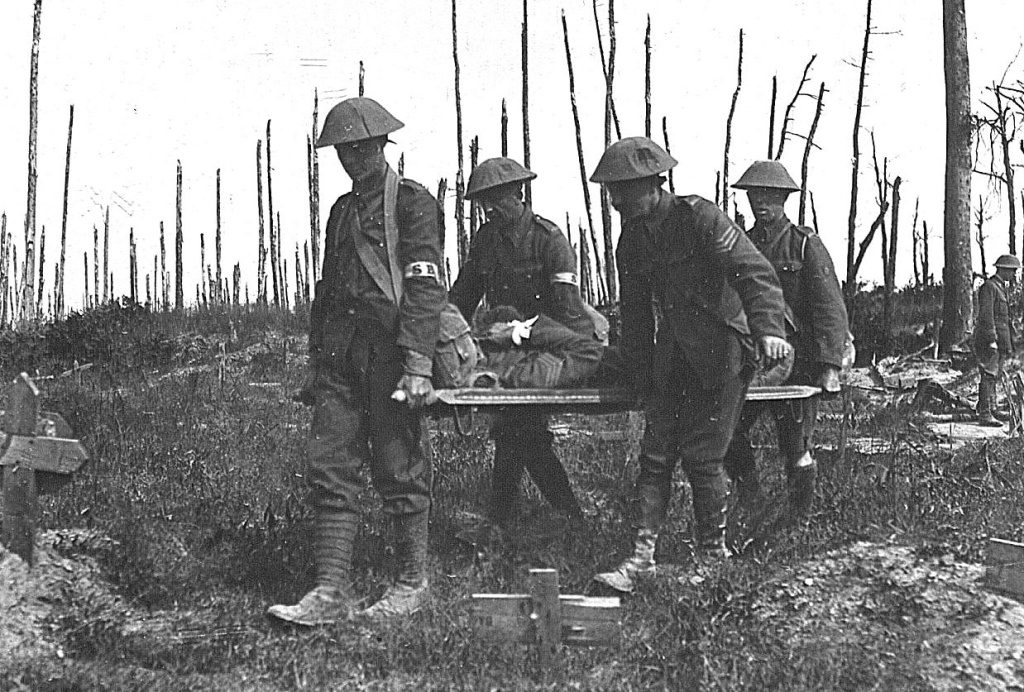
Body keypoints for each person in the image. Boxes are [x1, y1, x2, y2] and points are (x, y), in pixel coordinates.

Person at [267, 97, 446, 625]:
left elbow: (424, 284)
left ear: (382, 146)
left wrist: (417, 365)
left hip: (391, 357)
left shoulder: (412, 202)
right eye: (344, 150)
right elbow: (326, 292)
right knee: (331, 469)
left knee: (400, 466)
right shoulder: (341, 213)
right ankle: (329, 591)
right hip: (341, 361)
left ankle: (411, 583)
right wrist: (316, 362)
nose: (353, 158)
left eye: (362, 148)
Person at [589, 137, 790, 593]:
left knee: (704, 458)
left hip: (722, 351)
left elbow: (754, 272)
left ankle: (711, 556)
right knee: (655, 456)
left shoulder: (698, 216)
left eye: (623, 189)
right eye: (611, 191)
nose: (615, 200)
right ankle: (642, 558)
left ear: (653, 184)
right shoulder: (632, 240)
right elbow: (637, 313)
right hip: (673, 355)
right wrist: (638, 374)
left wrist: (770, 330)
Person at [449, 157, 596, 526]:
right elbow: (463, 297)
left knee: (519, 432)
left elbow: (567, 313)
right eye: (485, 202)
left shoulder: (550, 240)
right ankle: (532, 522)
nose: (491, 210)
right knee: (518, 432)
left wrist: (520, 331)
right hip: (509, 353)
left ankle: (532, 521)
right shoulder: (486, 241)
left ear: (518, 193)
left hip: (555, 348)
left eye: (498, 198)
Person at [723, 160, 849, 515]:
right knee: (728, 433)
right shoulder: (739, 245)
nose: (760, 203)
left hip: (799, 364)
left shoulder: (804, 246)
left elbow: (829, 308)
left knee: (796, 445)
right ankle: (753, 505)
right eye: (754, 195)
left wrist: (829, 366)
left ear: (784, 199)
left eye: (769, 195)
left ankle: (799, 520)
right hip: (751, 360)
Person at [975, 254, 1021, 427]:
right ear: (1003, 269)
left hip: (1001, 340)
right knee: (989, 374)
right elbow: (987, 316)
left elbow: (1004, 319)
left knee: (995, 374)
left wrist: (1008, 341)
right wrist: (991, 340)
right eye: (1012, 271)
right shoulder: (989, 287)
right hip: (990, 339)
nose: (1013, 275)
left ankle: (992, 408)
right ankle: (985, 414)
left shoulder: (1000, 288)